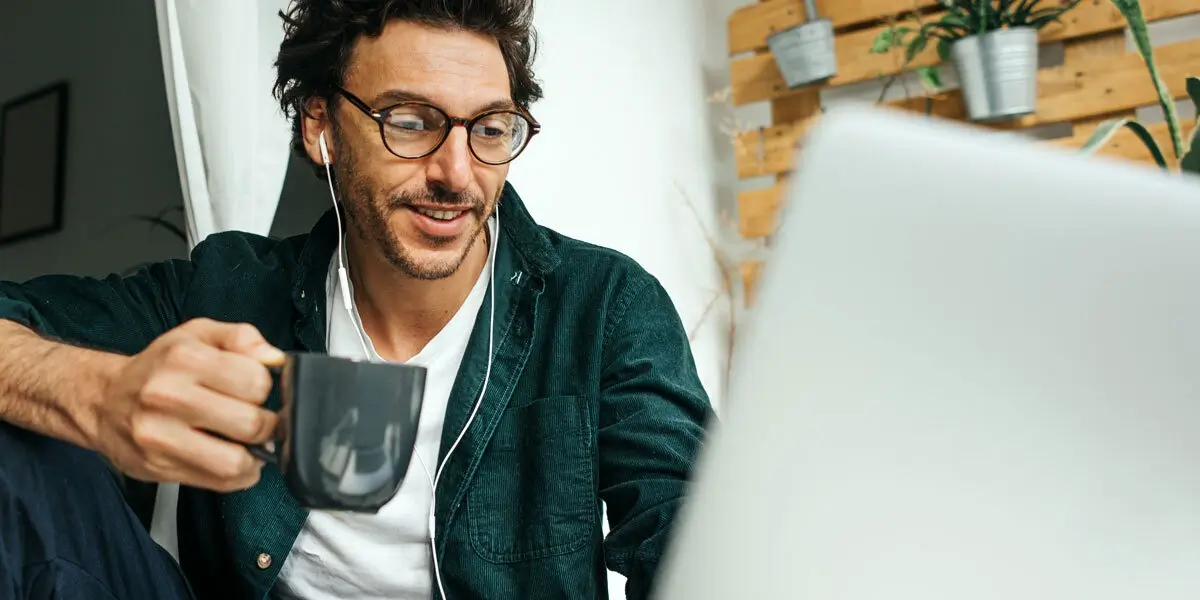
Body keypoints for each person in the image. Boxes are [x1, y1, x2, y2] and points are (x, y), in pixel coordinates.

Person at [0, 1, 714, 598]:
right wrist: (98, 395)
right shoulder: (229, 289)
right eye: (410, 121)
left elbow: (692, 533)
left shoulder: (603, 306)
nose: (456, 174)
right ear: (321, 129)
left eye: (489, 129)